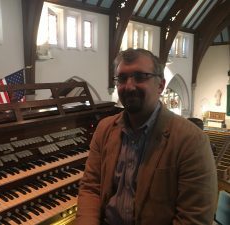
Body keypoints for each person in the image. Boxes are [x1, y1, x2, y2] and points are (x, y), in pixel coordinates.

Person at [75, 48, 217, 225]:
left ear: (160, 85)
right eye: (122, 78)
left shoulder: (192, 140)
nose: (129, 86)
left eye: (140, 77)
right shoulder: (104, 129)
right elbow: (91, 188)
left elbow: (194, 218)